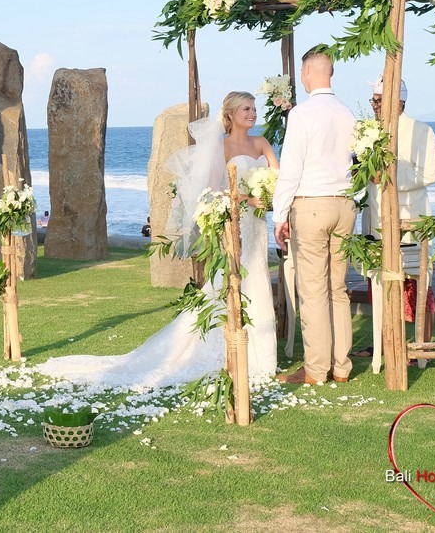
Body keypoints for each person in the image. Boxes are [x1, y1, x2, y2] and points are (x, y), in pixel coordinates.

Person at [37, 91, 278, 387]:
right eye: (246, 109)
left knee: (257, 279)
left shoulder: (262, 143)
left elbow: (278, 179)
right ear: (230, 114)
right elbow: (215, 192)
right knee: (228, 283)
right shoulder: (220, 148)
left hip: (256, 226)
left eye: (253, 108)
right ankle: (228, 348)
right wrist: (248, 198)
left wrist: (268, 196)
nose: (252, 114)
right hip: (235, 226)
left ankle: (261, 357)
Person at [273, 48, 357, 385]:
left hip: (312, 205)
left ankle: (316, 369)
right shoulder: (348, 113)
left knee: (313, 290)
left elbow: (291, 169)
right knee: (338, 288)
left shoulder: (302, 114)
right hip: (344, 205)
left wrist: (280, 215)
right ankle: (341, 367)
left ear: (307, 71)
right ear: (331, 73)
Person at [353, 79, 435, 357]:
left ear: (399, 101)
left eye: (380, 100)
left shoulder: (421, 130)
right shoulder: (369, 133)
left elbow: (429, 173)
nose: (375, 106)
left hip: (409, 218)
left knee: (416, 284)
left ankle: (420, 347)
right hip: (375, 218)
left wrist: (388, 177)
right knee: (379, 282)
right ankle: (383, 343)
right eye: (373, 101)